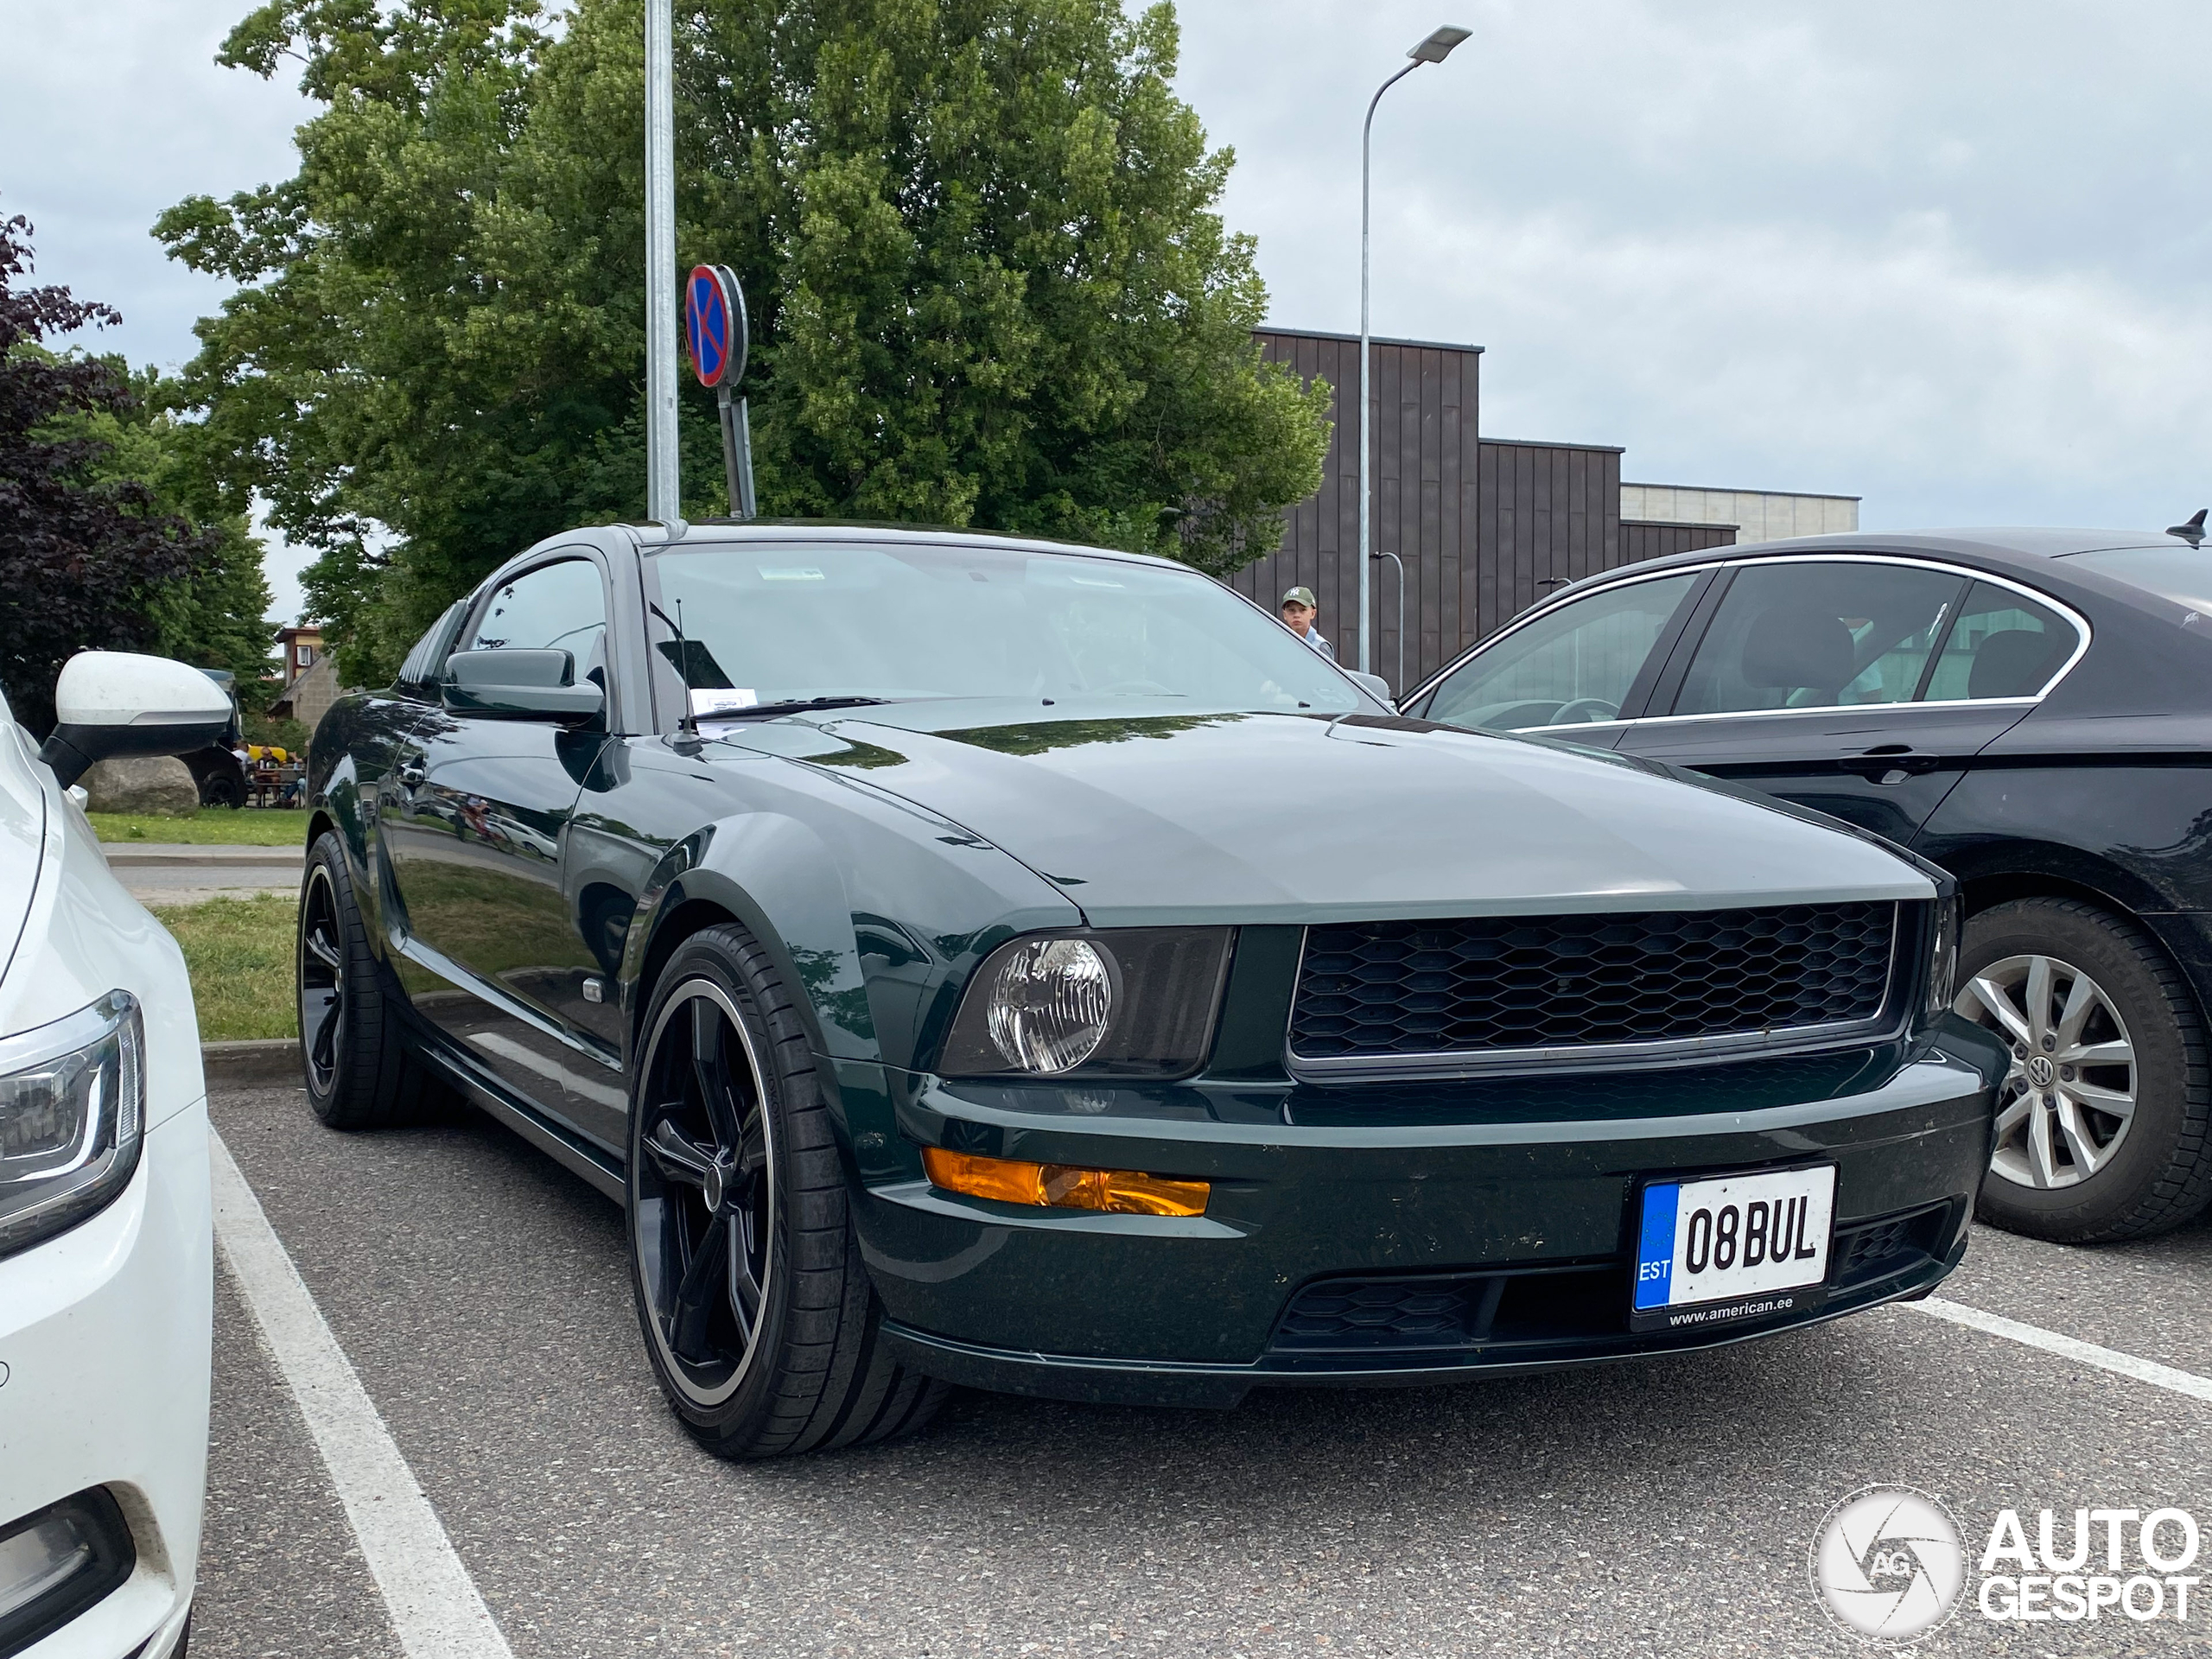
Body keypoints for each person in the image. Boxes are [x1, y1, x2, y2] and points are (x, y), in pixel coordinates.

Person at [1279, 586, 1333, 659]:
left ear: (1312, 613)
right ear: (1285, 615)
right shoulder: (1281, 645)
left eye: (1302, 610)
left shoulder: (1320, 647)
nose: (1296, 615)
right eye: (1291, 610)